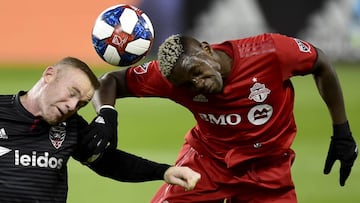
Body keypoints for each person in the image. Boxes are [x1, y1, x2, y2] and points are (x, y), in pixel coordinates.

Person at [92, 33, 358, 202]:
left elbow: (320, 63)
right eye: (188, 85)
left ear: (207, 49)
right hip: (208, 164)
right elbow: (109, 81)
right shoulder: (171, 78)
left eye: (197, 71)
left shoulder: (269, 52)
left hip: (269, 171)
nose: (198, 84)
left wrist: (342, 131)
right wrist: (106, 118)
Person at [0, 56, 200, 203]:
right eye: (72, 93)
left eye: (80, 104)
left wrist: (164, 171)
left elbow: (108, 162)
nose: (72, 106)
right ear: (49, 75)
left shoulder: (71, 126)